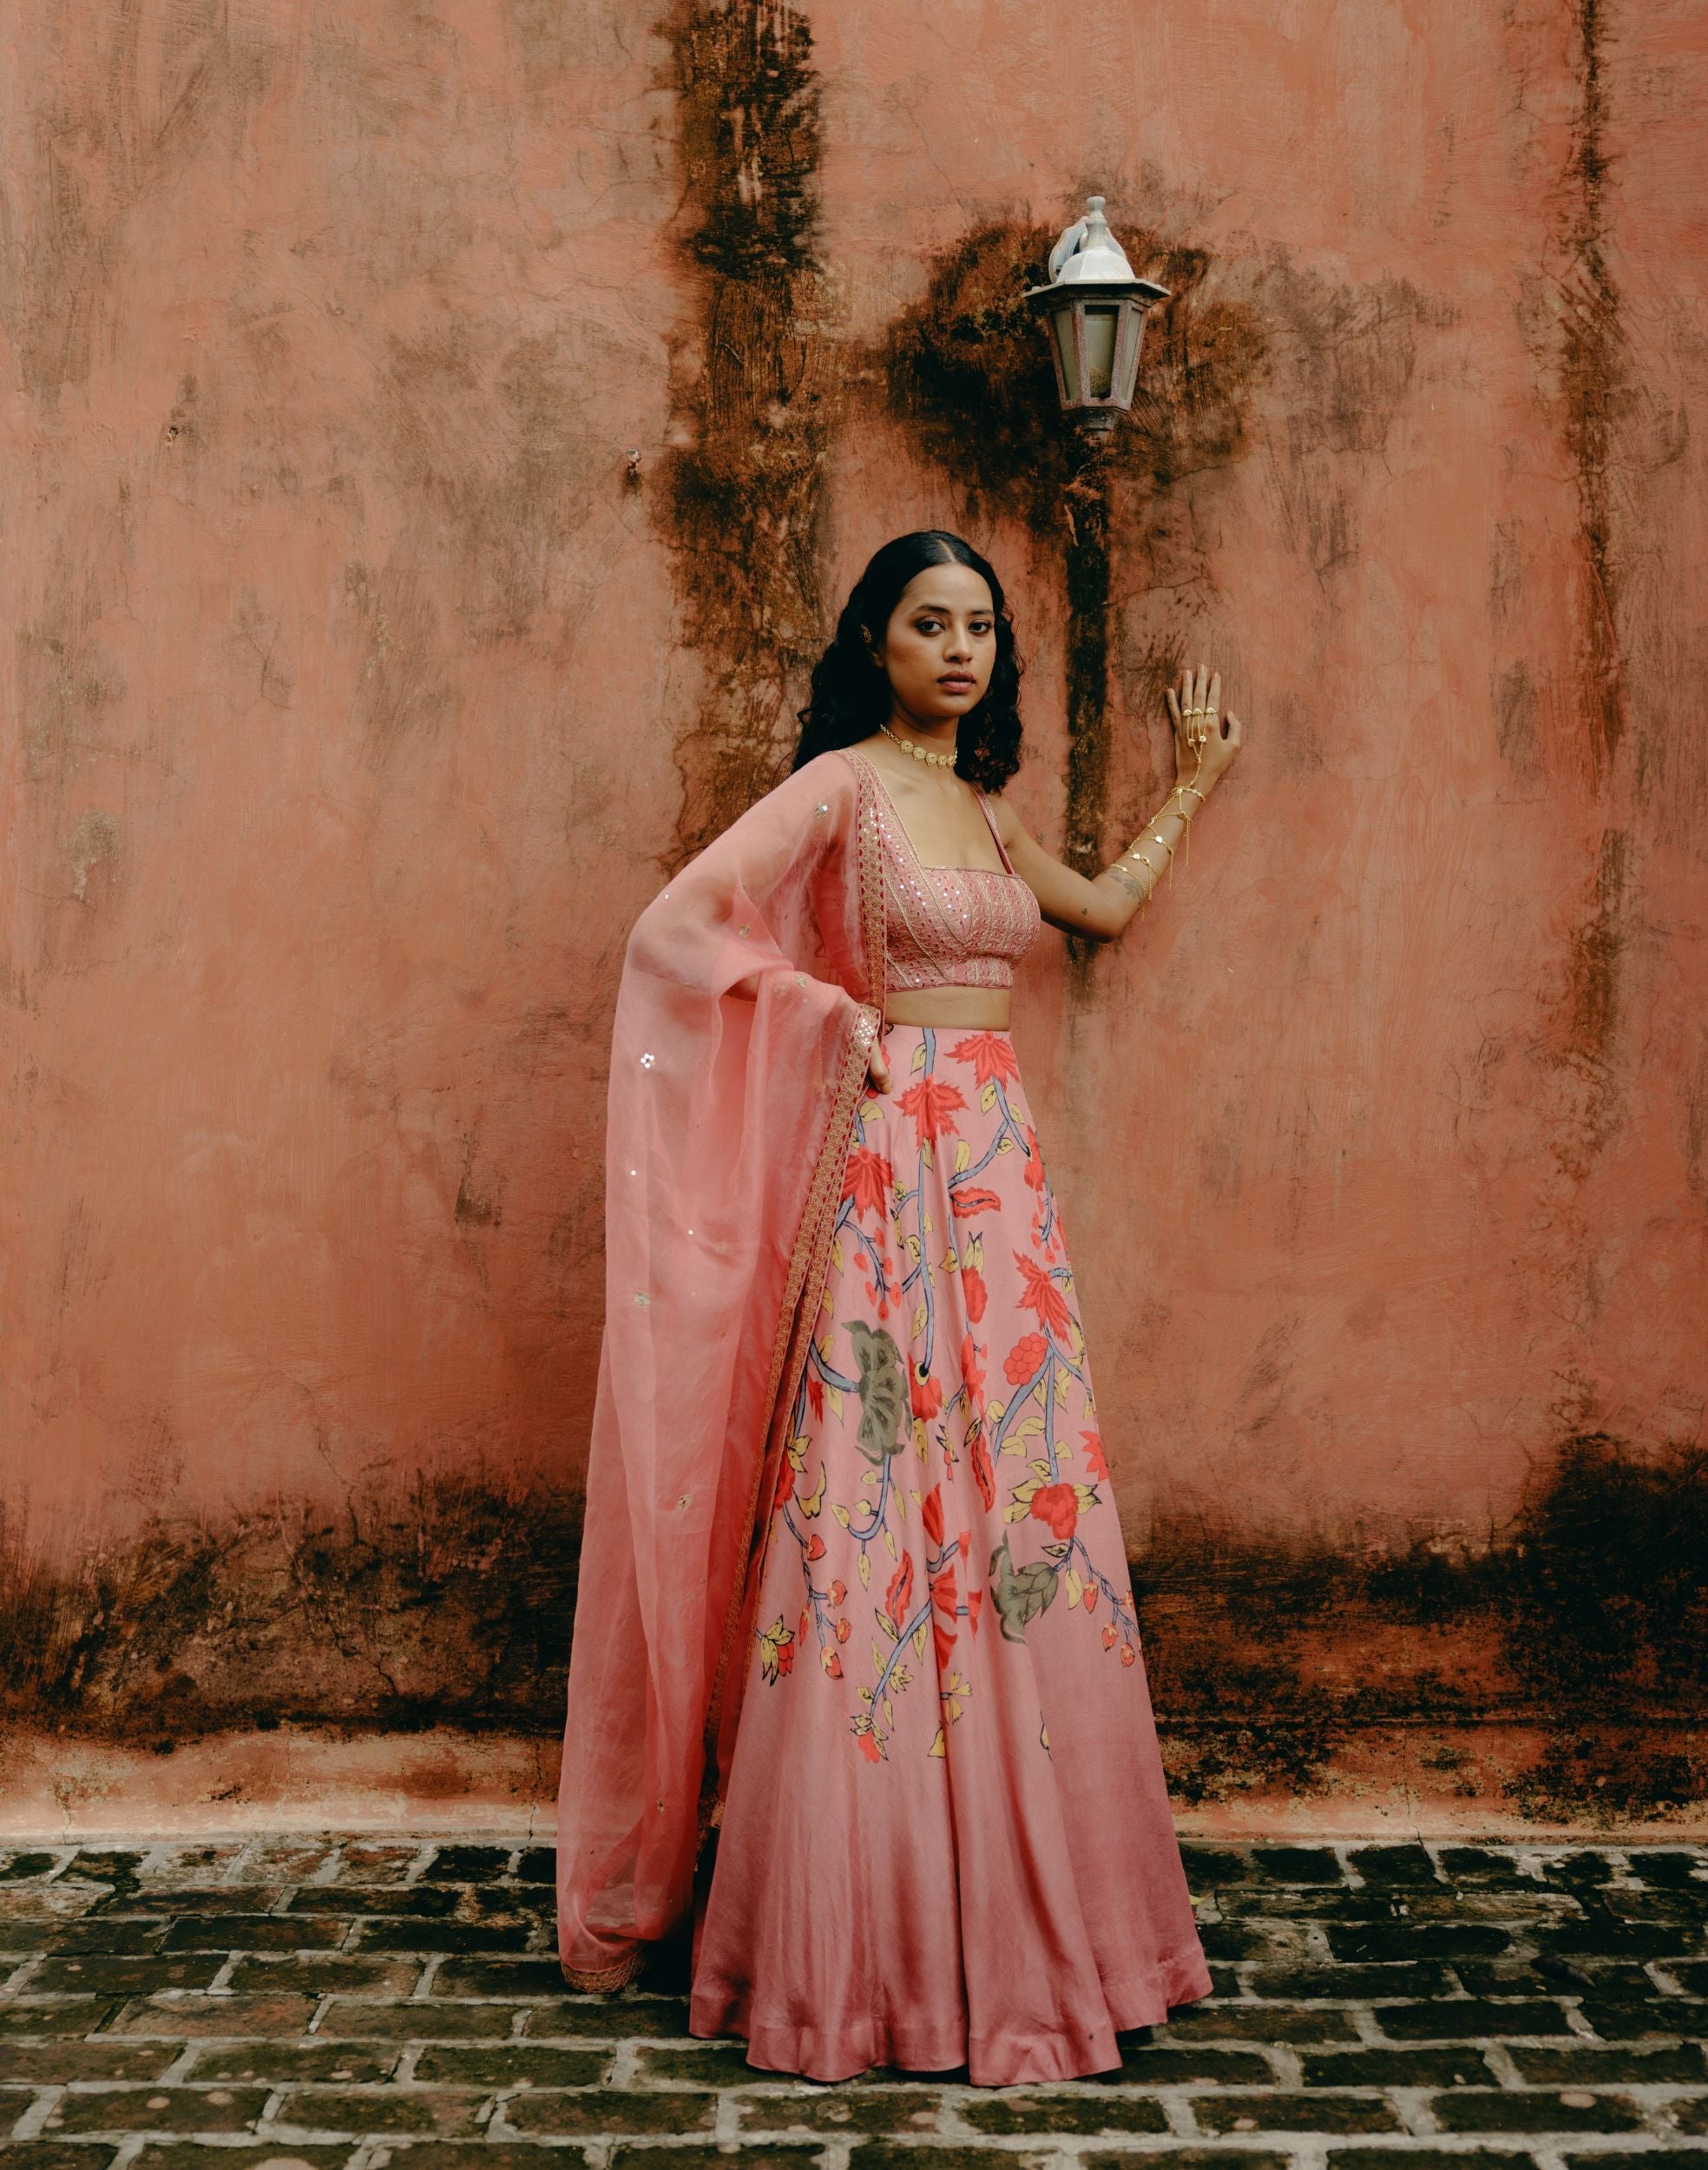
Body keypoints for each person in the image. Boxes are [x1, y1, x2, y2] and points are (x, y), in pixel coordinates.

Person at [555, 529, 1245, 2085]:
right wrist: (824, 1016)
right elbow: (678, 932)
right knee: (875, 1511)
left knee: (1016, 1511)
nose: (961, 649)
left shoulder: (987, 818)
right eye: (930, 623)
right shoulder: (845, 789)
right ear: (876, 639)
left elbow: (1109, 912)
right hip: (889, 1169)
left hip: (1000, 1186)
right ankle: (858, 1937)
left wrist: (1195, 779)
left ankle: (1023, 1899)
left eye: (982, 629)